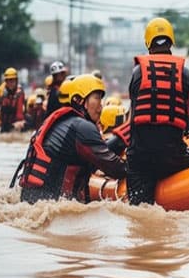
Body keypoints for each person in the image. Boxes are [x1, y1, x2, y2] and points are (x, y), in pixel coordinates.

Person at [127, 17, 189, 205]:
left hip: (141, 158)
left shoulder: (138, 73)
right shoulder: (185, 75)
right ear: (171, 42)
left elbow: (133, 120)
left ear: (148, 43)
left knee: (138, 213)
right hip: (173, 156)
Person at [13, 74, 127, 204]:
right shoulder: (82, 127)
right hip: (50, 205)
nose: (101, 107)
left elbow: (99, 154)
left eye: (101, 99)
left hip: (32, 201)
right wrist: (136, 169)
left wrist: (120, 141)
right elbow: (113, 167)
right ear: (79, 100)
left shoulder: (67, 123)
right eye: (96, 98)